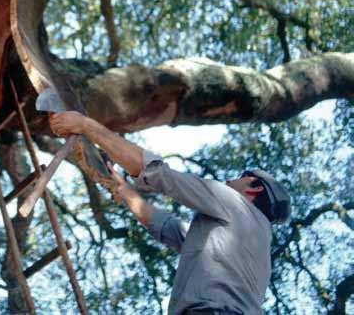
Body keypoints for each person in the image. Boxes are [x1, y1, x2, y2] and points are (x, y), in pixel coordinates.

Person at [49, 111, 291, 315]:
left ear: (254, 187)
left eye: (241, 175)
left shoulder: (237, 204)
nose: (231, 178)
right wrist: (121, 187)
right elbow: (165, 226)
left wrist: (85, 125)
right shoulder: (243, 241)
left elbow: (157, 174)